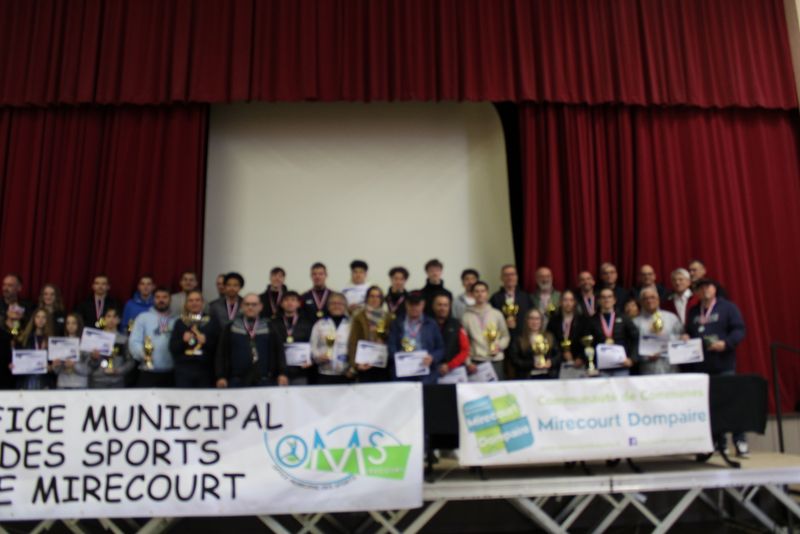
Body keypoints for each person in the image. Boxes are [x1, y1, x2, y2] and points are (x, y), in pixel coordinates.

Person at [683, 279, 747, 456]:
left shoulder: (728, 308)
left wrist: (726, 343)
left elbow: (739, 330)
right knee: (710, 405)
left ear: (715, 289)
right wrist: (686, 335)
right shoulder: (694, 311)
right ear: (696, 293)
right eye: (700, 288)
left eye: (708, 287)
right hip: (701, 366)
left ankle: (740, 440)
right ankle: (719, 442)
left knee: (730, 403)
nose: (704, 290)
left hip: (723, 364)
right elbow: (690, 330)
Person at [216, 293, 287, 388]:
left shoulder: (270, 326)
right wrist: (221, 376)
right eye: (247, 304)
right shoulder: (231, 327)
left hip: (265, 379)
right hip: (236, 380)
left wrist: (282, 373)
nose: (250, 307)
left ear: (260, 307)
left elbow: (279, 351)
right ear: (242, 306)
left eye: (254, 304)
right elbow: (221, 353)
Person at [387, 291, 444, 385]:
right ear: (406, 304)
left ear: (423, 305)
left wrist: (432, 357)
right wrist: (398, 358)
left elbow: (441, 348)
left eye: (417, 304)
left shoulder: (431, 324)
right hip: (402, 374)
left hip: (427, 375)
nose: (414, 307)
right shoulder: (396, 323)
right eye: (411, 304)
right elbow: (391, 347)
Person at [461, 281, 511, 379]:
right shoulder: (466, 316)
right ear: (472, 294)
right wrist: (468, 362)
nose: (480, 294)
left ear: (487, 294)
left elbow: (505, 336)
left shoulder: (497, 314)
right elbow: (464, 342)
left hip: (496, 359)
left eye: (483, 291)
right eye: (477, 291)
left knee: (497, 388)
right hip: (476, 361)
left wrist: (499, 347)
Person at [170, 290, 219, 388]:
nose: (194, 303)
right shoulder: (180, 323)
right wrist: (183, 341)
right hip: (184, 371)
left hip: (206, 371)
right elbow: (173, 348)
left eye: (197, 300)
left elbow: (219, 349)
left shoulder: (212, 322)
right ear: (186, 304)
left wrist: (206, 342)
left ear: (203, 303)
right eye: (191, 300)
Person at [129, 288, 176, 387]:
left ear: (170, 299)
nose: (161, 300)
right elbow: (134, 341)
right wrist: (145, 356)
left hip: (171, 371)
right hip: (148, 371)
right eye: (157, 297)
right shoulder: (143, 317)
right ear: (153, 299)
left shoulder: (177, 320)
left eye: (164, 297)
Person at [587, 288, 639, 377]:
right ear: (599, 301)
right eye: (603, 297)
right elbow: (588, 344)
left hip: (621, 366)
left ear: (614, 300)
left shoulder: (624, 318)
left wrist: (632, 359)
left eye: (609, 297)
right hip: (601, 368)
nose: (606, 300)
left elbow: (636, 338)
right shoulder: (592, 321)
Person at [347, 286, 393, 383]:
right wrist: (355, 364)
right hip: (365, 363)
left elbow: (392, 339)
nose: (374, 299)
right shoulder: (359, 317)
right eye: (372, 296)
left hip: (383, 363)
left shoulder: (388, 317)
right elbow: (353, 342)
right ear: (367, 298)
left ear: (381, 299)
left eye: (377, 296)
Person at [633, 288, 682, 374]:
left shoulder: (672, 318)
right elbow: (632, 347)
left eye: (652, 297)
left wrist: (681, 339)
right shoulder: (635, 323)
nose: (649, 301)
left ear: (658, 299)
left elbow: (681, 339)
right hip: (648, 371)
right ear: (641, 302)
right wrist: (645, 356)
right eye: (645, 298)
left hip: (671, 369)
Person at [271, 291, 314, 385]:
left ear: (298, 303)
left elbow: (312, 345)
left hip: (301, 372)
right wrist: (279, 372)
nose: (290, 303)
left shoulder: (307, 323)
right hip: (279, 373)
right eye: (286, 300)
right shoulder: (273, 323)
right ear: (281, 304)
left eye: (293, 300)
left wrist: (310, 359)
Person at [310, 293, 352, 384]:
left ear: (345, 306)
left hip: (347, 374)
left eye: (340, 303)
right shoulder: (319, 324)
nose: (336, 306)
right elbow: (312, 346)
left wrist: (353, 368)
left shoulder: (352, 325)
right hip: (324, 373)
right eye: (333, 303)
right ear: (328, 306)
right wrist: (318, 357)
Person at [88, 308, 135, 389]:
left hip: (117, 381)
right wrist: (94, 359)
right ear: (104, 319)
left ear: (119, 320)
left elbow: (130, 362)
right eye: (108, 316)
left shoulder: (124, 340)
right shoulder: (95, 338)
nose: (111, 319)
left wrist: (118, 371)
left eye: (114, 317)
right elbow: (88, 363)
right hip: (98, 381)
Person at [546, 290, 589, 371]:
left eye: (571, 300)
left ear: (574, 302)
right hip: (558, 364)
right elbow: (549, 342)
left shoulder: (583, 321)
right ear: (560, 302)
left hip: (579, 362)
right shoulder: (553, 322)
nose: (568, 303)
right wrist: (560, 356)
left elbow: (587, 342)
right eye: (565, 300)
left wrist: (581, 358)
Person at [431, 292, 470, 380]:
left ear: (449, 307)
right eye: (439, 305)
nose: (442, 308)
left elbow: (465, 350)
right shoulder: (427, 325)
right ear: (433, 306)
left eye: (445, 305)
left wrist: (449, 365)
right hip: (433, 371)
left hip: (455, 371)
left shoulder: (457, 325)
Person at [14, 308, 55, 389]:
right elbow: (18, 359)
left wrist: (51, 367)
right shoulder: (24, 338)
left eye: (44, 317)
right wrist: (14, 365)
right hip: (26, 380)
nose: (40, 320)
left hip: (45, 381)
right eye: (38, 317)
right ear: (33, 319)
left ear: (47, 320)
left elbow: (54, 364)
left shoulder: (52, 340)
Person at [509, 309, 557, 379]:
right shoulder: (519, 339)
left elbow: (558, 355)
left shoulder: (550, 337)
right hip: (527, 377)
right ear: (527, 320)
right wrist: (531, 364)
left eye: (537, 319)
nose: (535, 322)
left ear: (541, 321)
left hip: (548, 376)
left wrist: (551, 362)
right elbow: (514, 359)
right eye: (531, 318)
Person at [489, 265, 532, 338]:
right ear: (501, 278)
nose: (510, 277)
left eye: (512, 274)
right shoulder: (495, 298)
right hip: (503, 337)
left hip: (523, 337)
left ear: (517, 277)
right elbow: (491, 319)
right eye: (506, 275)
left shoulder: (526, 297)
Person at [52, 313, 92, 389]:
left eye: (74, 323)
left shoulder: (85, 344)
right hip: (62, 384)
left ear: (79, 325)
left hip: (80, 385)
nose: (70, 326)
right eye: (68, 323)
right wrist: (56, 365)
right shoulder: (60, 344)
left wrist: (74, 365)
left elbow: (88, 369)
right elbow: (56, 371)